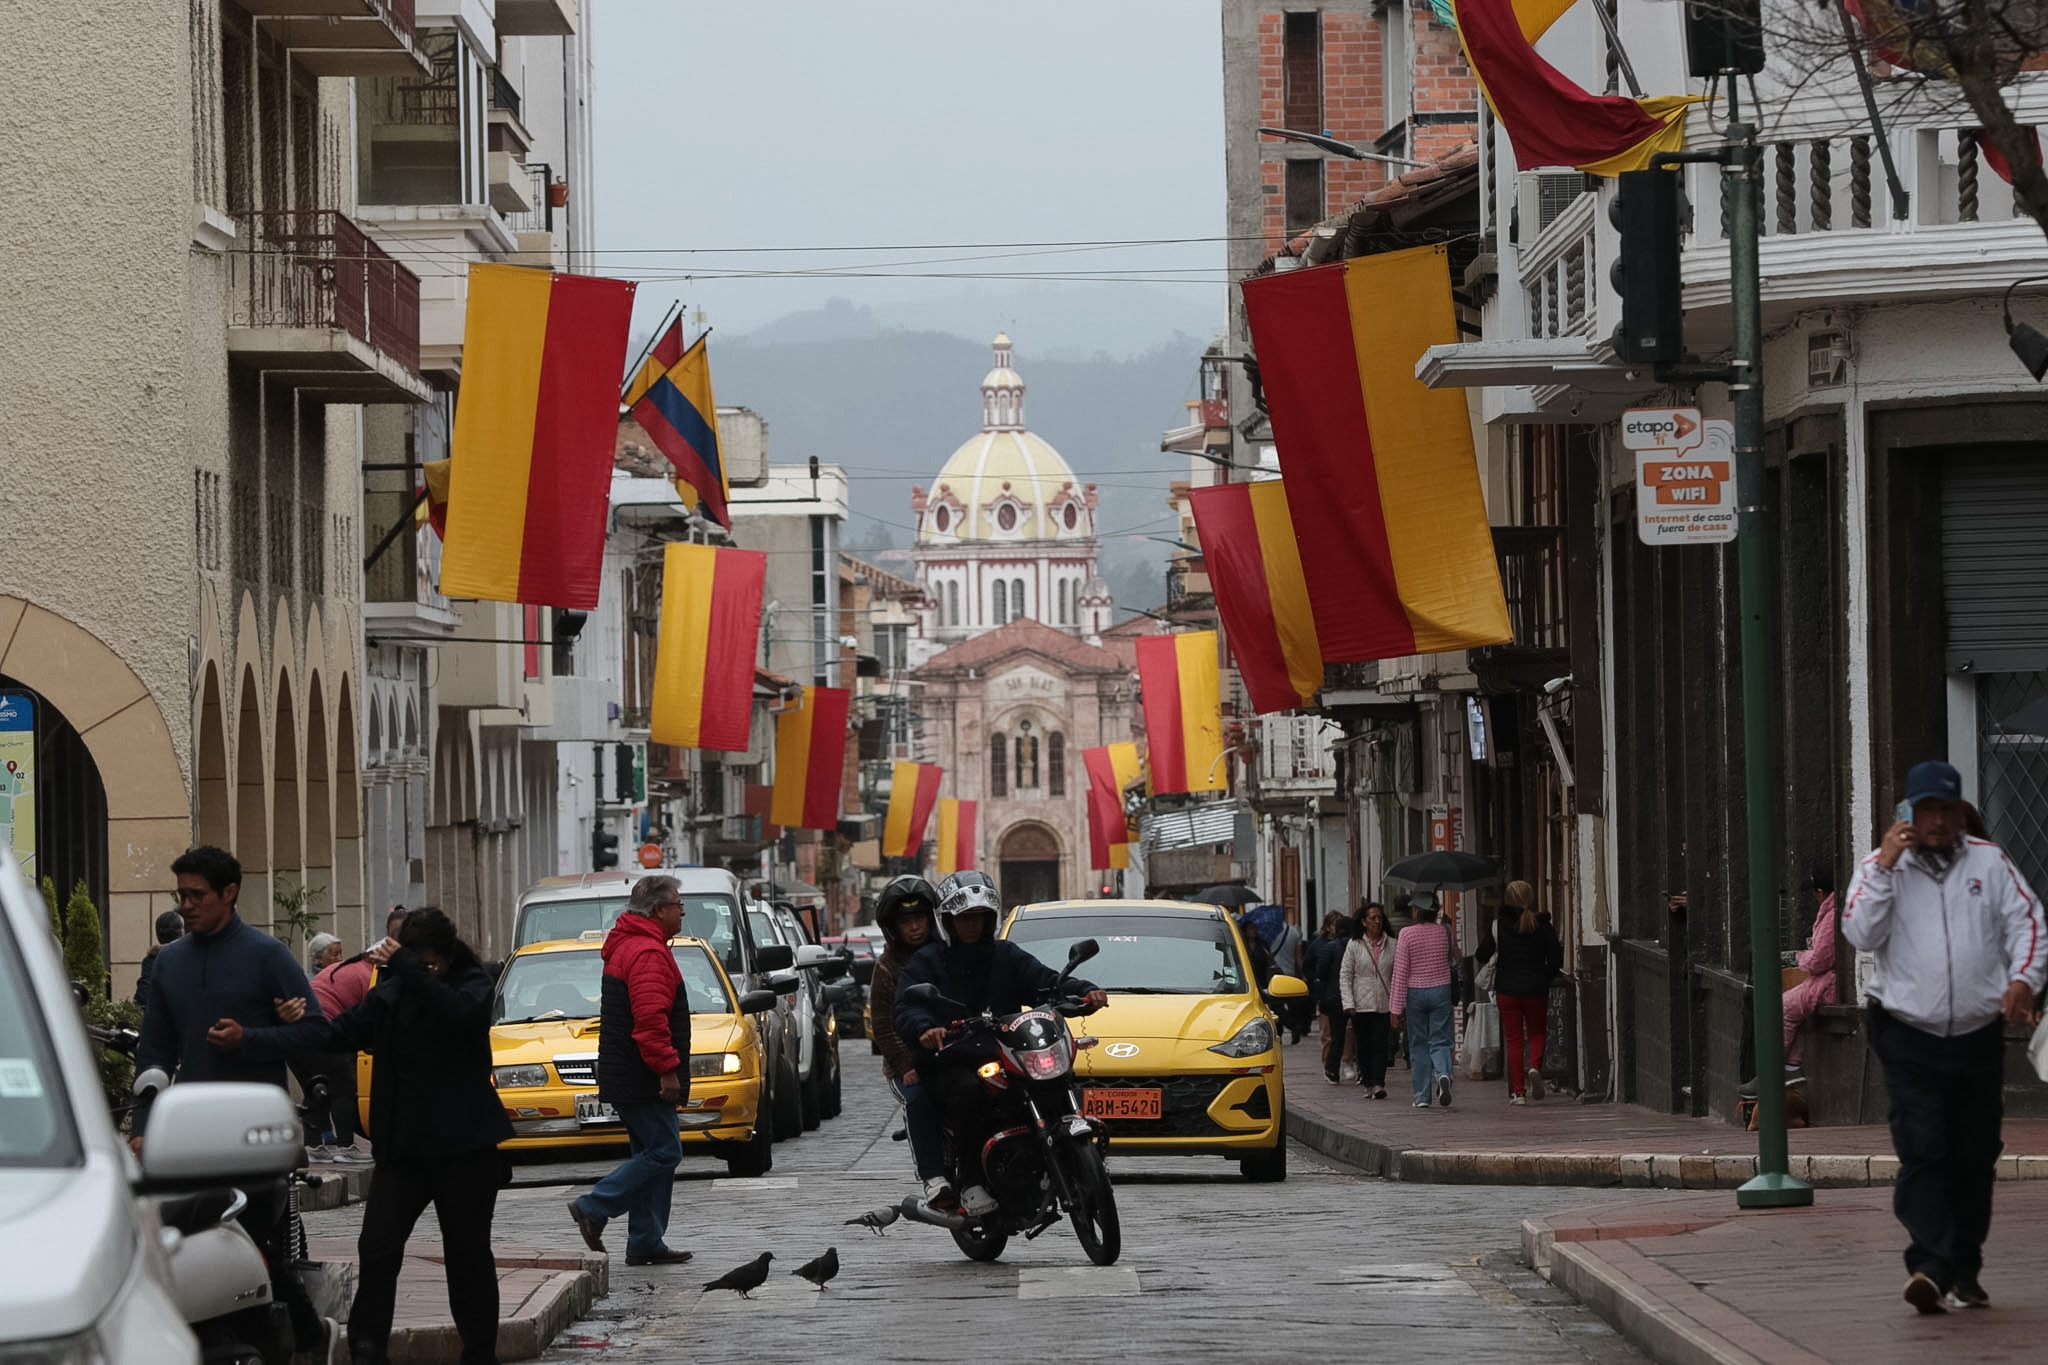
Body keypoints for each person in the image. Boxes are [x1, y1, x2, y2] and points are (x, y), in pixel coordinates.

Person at [210, 907, 510, 1365]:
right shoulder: (394, 990)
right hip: (403, 1151)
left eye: (429, 964)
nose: (422, 971)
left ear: (447, 955)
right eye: (416, 962)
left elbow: (455, 1015)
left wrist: (408, 968)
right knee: (377, 1249)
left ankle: (480, 1354)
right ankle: (368, 1350)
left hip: (464, 1149)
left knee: (467, 1256)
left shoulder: (474, 983)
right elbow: (340, 1034)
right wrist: (286, 1024)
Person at [1843, 759, 2046, 1314]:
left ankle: (1964, 1268)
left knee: (1975, 1155)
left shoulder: (1990, 862)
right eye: (1927, 810)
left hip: (1977, 1035)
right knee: (1924, 1146)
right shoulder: (1880, 867)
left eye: (1947, 810)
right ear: (1910, 813)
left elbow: (2028, 923)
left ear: (1960, 813)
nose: (1937, 821)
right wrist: (1886, 866)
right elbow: (1860, 931)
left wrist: (2023, 980)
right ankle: (1930, 1266)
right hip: (1907, 1033)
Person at [133, 845, 331, 1359]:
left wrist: (250, 1039)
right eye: (181, 895)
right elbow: (154, 1053)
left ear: (229, 892)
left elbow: (315, 1031)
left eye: (197, 895)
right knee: (193, 1245)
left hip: (254, 1134)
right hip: (190, 1136)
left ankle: (311, 1339)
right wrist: (142, 1125)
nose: (187, 906)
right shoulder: (170, 963)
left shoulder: (267, 956)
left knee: (251, 1245)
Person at [894, 870, 1105, 1217]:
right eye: (965, 918)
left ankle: (1054, 1158)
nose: (972, 925)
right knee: (969, 1091)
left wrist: (1085, 991)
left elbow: (1045, 981)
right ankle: (971, 1182)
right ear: (948, 921)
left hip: (1005, 1051)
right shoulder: (927, 961)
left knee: (1050, 1078)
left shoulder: (1005, 954)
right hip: (951, 1058)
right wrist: (926, 1029)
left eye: (980, 917)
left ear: (990, 919)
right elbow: (908, 1006)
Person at [567, 875, 693, 1268]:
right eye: (678, 904)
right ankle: (594, 1207)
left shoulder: (633, 945)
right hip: (642, 1075)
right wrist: (667, 1070)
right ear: (658, 910)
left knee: (650, 1154)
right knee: (665, 1152)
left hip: (629, 1072)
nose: (682, 911)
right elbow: (650, 1021)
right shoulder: (647, 952)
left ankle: (645, 1241)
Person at [867, 875, 950, 1206]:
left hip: (954, 1051)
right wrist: (906, 1066)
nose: (915, 927)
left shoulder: (949, 954)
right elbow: (883, 1026)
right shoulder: (887, 967)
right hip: (910, 1062)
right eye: (906, 921)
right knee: (920, 1099)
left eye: (920, 919)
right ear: (893, 927)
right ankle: (933, 1177)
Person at [1476, 881, 1564, 1104]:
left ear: (1507, 899)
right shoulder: (1544, 926)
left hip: (1507, 990)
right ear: (1531, 898)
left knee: (1514, 1040)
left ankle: (1518, 1092)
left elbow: (1481, 954)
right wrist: (1543, 977)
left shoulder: (1499, 926)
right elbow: (1556, 960)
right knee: (1537, 1033)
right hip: (1536, 989)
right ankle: (1534, 1067)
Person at [1389, 892, 1460, 1108]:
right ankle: (1443, 1073)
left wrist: (1395, 1008)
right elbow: (1455, 957)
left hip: (1416, 993)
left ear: (1417, 911)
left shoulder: (1406, 934)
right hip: (1441, 990)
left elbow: (1401, 971)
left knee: (1418, 1043)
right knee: (1441, 1039)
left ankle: (1421, 1096)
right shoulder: (1445, 932)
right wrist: (1447, 928)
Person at [1782, 865, 1839, 1076]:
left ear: (1821, 893)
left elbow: (1818, 960)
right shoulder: (1835, 911)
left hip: (1828, 982)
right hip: (1827, 980)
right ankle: (1792, 1066)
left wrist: (1801, 957)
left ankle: (1776, 1068)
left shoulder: (1832, 916)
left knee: (1784, 1007)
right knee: (1793, 1005)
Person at [1341, 903, 1396, 1098]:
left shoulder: (1392, 944)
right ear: (1364, 922)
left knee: (1381, 1044)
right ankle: (1367, 1082)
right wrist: (1348, 1003)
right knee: (1364, 1045)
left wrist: (1398, 1002)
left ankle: (1378, 1083)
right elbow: (1345, 975)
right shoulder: (1355, 945)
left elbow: (1397, 974)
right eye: (1372, 918)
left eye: (1379, 917)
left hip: (1384, 1003)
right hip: (1361, 1004)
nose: (1377, 921)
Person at [1305, 912, 1349, 1083]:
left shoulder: (1348, 944)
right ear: (1328, 926)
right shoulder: (1319, 945)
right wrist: (1315, 980)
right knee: (1328, 1033)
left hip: (1338, 994)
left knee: (1346, 1032)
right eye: (1333, 924)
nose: (1336, 928)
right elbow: (1309, 966)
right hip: (1327, 994)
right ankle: (1328, 1065)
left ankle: (1346, 1061)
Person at [132, 909, 184, 1005]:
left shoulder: (150, 960)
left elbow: (144, 996)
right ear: (182, 932)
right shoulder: (191, 958)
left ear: (157, 934)